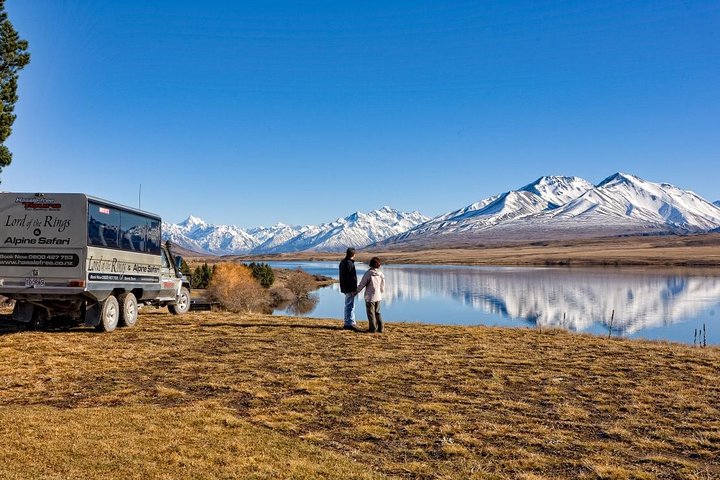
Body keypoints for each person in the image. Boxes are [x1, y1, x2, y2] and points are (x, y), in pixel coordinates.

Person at [356, 257, 385, 333]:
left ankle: (372, 329)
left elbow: (362, 284)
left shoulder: (368, 273)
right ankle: (381, 328)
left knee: (371, 313)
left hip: (370, 297)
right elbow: (382, 286)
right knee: (377, 312)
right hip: (378, 296)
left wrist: (356, 291)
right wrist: (380, 292)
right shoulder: (381, 274)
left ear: (370, 264)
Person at [338, 247, 360, 331]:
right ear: (353, 254)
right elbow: (352, 278)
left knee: (349, 305)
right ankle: (349, 323)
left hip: (345, 287)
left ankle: (349, 322)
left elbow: (343, 277)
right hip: (350, 288)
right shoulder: (349, 263)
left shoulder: (343, 262)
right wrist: (354, 289)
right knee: (350, 305)